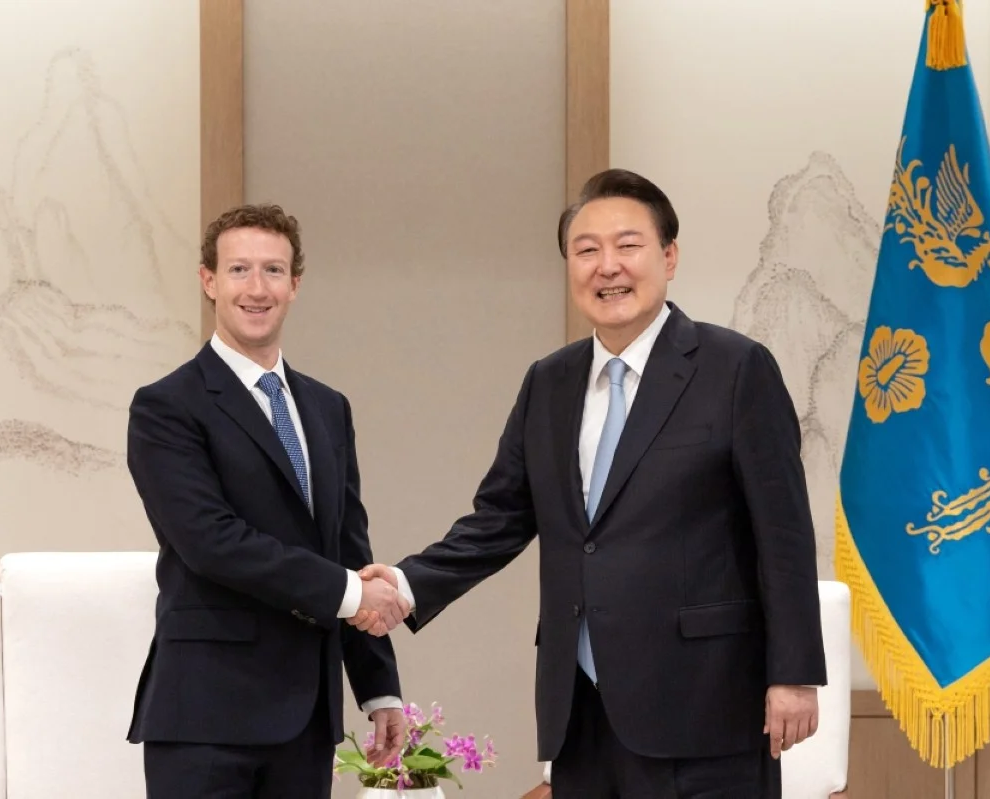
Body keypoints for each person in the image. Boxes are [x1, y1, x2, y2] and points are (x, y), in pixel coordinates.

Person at [354, 169, 828, 797]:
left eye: (628, 245)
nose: (608, 266)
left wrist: (793, 675)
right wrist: (407, 585)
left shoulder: (735, 369)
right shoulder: (548, 382)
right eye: (586, 250)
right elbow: (499, 518)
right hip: (580, 712)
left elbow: (785, 533)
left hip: (705, 705)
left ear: (669, 256)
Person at [125, 203, 412, 798]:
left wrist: (378, 686)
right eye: (239, 270)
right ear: (209, 281)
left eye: (274, 271)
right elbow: (211, 542)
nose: (257, 289)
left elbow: (348, 547)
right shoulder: (166, 407)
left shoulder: (329, 407)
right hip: (205, 716)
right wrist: (354, 594)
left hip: (306, 720)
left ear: (295, 285)